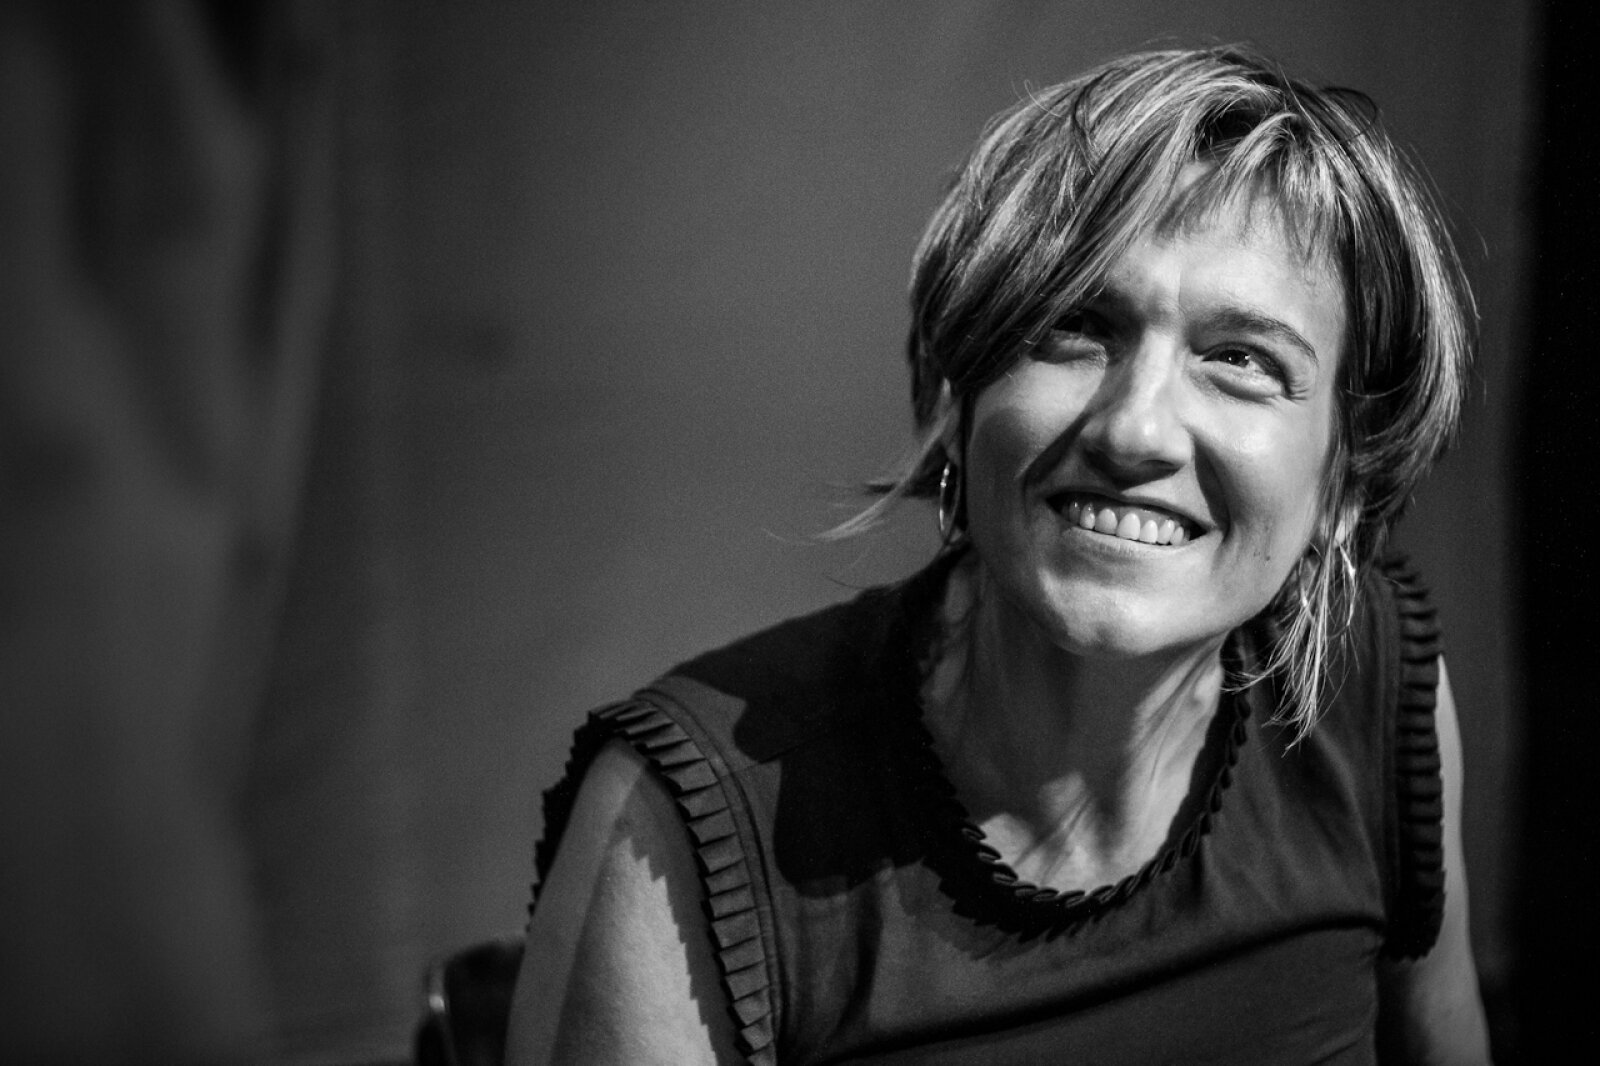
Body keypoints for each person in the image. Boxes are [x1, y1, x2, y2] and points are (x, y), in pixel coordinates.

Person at [507, 46, 1491, 1065]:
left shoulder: (1375, 696)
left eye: (1240, 359)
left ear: (1345, 481)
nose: (1135, 430)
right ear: (956, 396)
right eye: (1076, 326)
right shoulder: (689, 820)